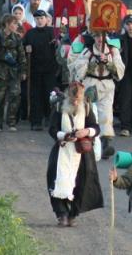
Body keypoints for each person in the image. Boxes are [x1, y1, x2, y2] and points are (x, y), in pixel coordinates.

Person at [47, 81, 104, 227]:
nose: (76, 102)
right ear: (68, 96)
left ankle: (73, 213)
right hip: (63, 149)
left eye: (78, 99)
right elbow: (52, 129)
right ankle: (61, 214)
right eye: (73, 99)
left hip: (81, 152)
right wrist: (64, 135)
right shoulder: (60, 107)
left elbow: (96, 128)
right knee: (57, 179)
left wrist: (86, 131)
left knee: (81, 183)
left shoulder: (86, 107)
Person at [0, 14, 27, 132]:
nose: (16, 26)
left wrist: (23, 70)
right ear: (7, 24)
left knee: (15, 97)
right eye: (14, 23)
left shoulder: (17, 38)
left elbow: (22, 56)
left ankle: (11, 122)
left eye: (16, 23)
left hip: (14, 73)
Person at [23, 10, 61, 131]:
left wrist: (57, 44)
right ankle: (36, 121)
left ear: (46, 19)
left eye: (41, 18)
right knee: (35, 96)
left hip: (50, 70)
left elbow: (59, 48)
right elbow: (23, 47)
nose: (39, 21)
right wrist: (26, 49)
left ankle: (51, 120)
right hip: (35, 70)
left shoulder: (52, 32)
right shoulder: (30, 33)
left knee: (50, 96)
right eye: (37, 19)